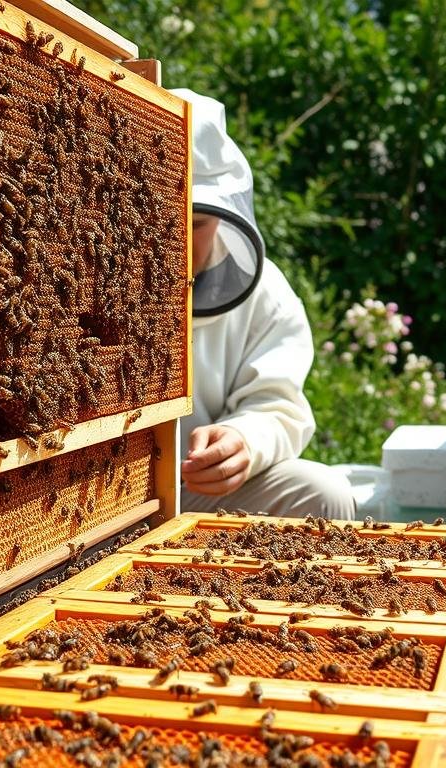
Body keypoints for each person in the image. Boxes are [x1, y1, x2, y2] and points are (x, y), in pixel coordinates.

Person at [170, 88, 355, 520]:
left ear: (221, 212)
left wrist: (243, 440)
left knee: (322, 494)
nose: (175, 240)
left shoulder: (264, 291)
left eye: (195, 223)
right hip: (76, 495)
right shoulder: (75, 273)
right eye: (161, 216)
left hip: (188, 494)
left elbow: (278, 404)